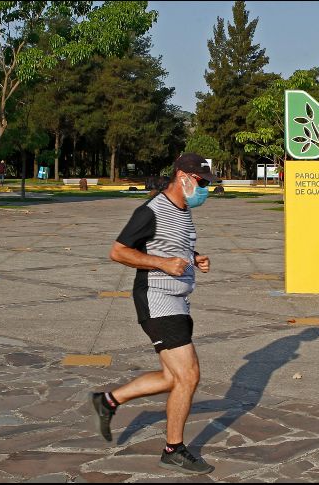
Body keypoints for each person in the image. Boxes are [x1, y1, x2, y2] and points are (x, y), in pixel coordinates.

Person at [92, 153, 220, 475]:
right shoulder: (151, 210)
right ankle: (173, 450)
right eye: (202, 182)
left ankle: (108, 401)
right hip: (157, 300)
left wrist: (195, 258)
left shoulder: (184, 211)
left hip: (178, 300)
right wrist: (162, 264)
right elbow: (118, 251)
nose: (205, 188)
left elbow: (172, 246)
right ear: (183, 177)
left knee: (170, 378)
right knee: (188, 375)